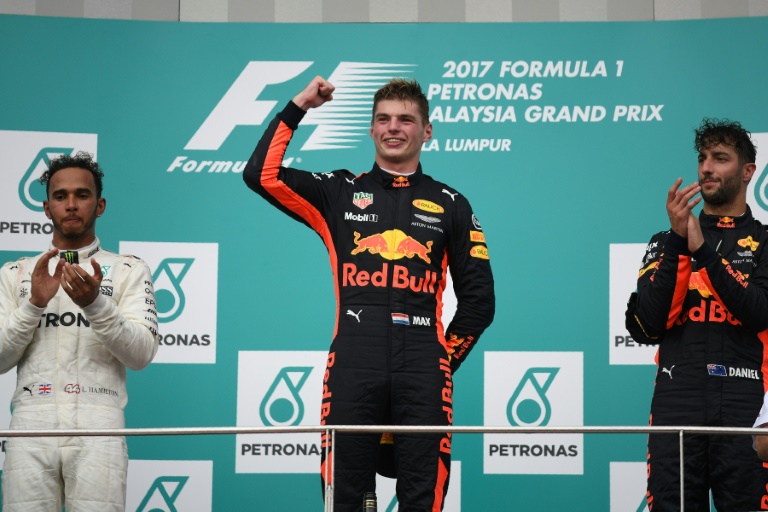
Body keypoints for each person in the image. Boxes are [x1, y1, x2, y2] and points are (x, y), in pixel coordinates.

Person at [243, 76, 495, 511]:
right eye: (383, 119)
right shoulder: (338, 193)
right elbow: (261, 174)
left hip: (424, 369)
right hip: (353, 364)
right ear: (372, 129)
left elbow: (479, 302)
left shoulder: (452, 202)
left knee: (423, 499)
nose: (393, 128)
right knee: (347, 499)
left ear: (426, 131)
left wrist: (442, 361)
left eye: (406, 120)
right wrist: (299, 105)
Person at [0, 152, 159, 512]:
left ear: (99, 205)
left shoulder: (128, 269)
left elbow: (141, 355)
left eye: (82, 195)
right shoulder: (15, 273)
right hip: (29, 426)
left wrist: (95, 305)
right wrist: (32, 306)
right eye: (61, 196)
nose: (71, 205)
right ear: (46, 208)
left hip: (99, 424)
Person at [625, 118, 768, 511]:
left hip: (748, 404)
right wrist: (677, 243)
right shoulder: (666, 241)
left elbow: (759, 313)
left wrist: (705, 252)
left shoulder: (765, 242)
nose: (706, 167)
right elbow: (649, 325)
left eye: (720, 158)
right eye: (702, 158)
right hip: (677, 401)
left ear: (748, 171)